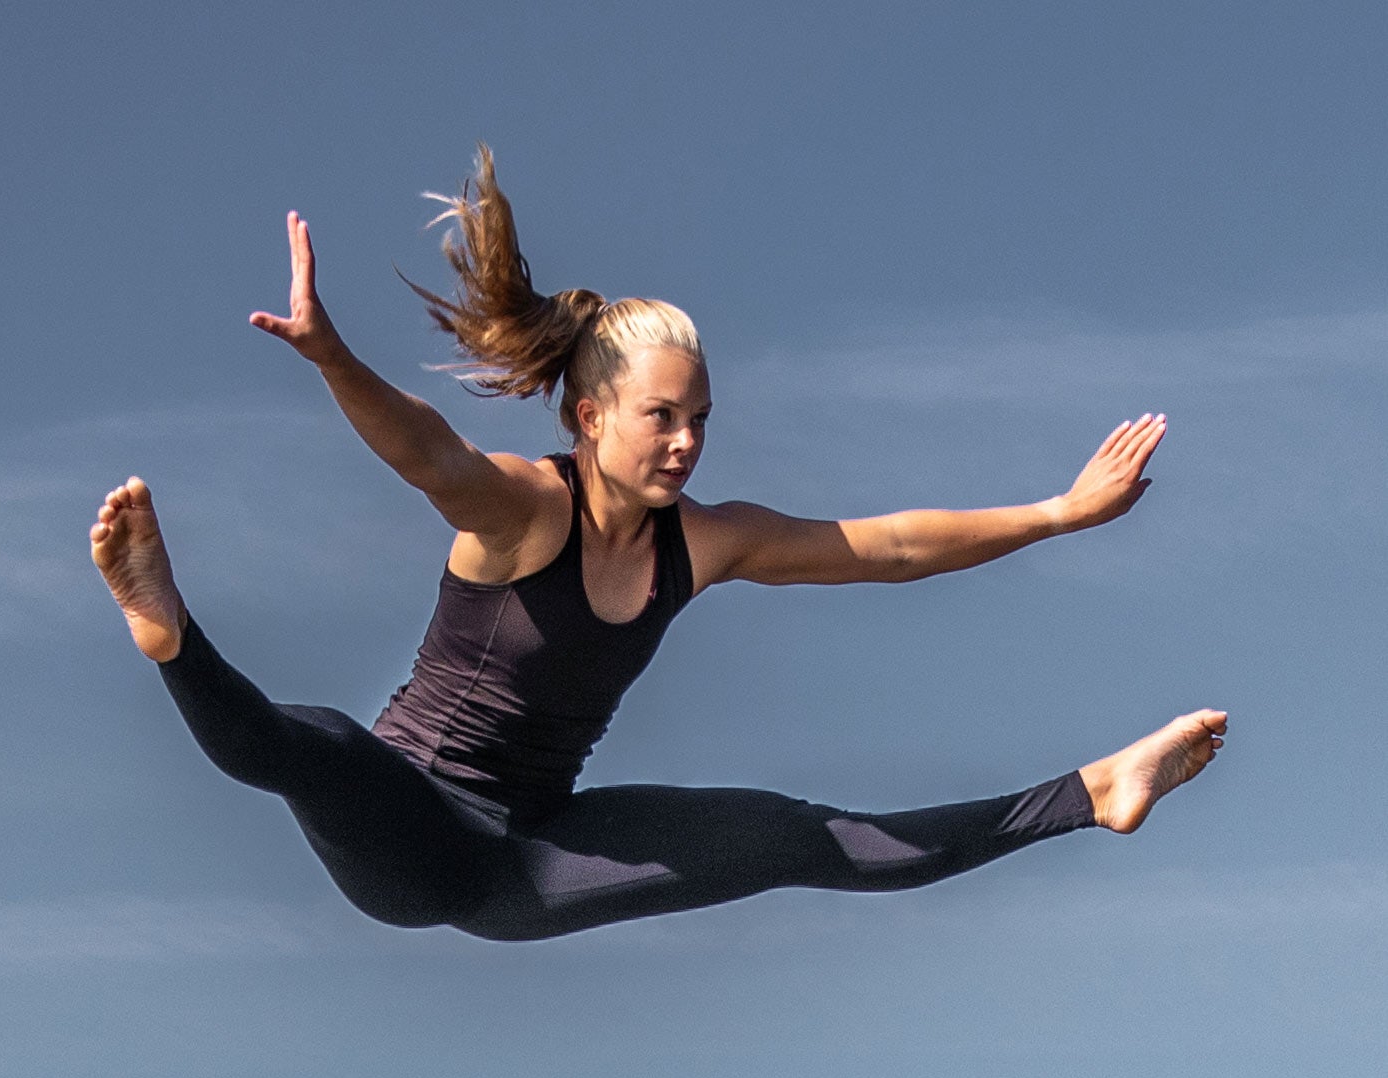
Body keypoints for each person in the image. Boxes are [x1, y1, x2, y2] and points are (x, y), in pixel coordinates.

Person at [90, 147, 1226, 942]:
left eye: (699, 419)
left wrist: (1058, 511)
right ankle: (167, 631)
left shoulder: (706, 542)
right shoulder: (529, 510)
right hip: (415, 825)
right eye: (660, 417)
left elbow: (882, 546)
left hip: (534, 862)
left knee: (810, 836)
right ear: (590, 419)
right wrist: (333, 357)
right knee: (320, 741)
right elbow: (428, 455)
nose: (686, 442)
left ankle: (1095, 789)